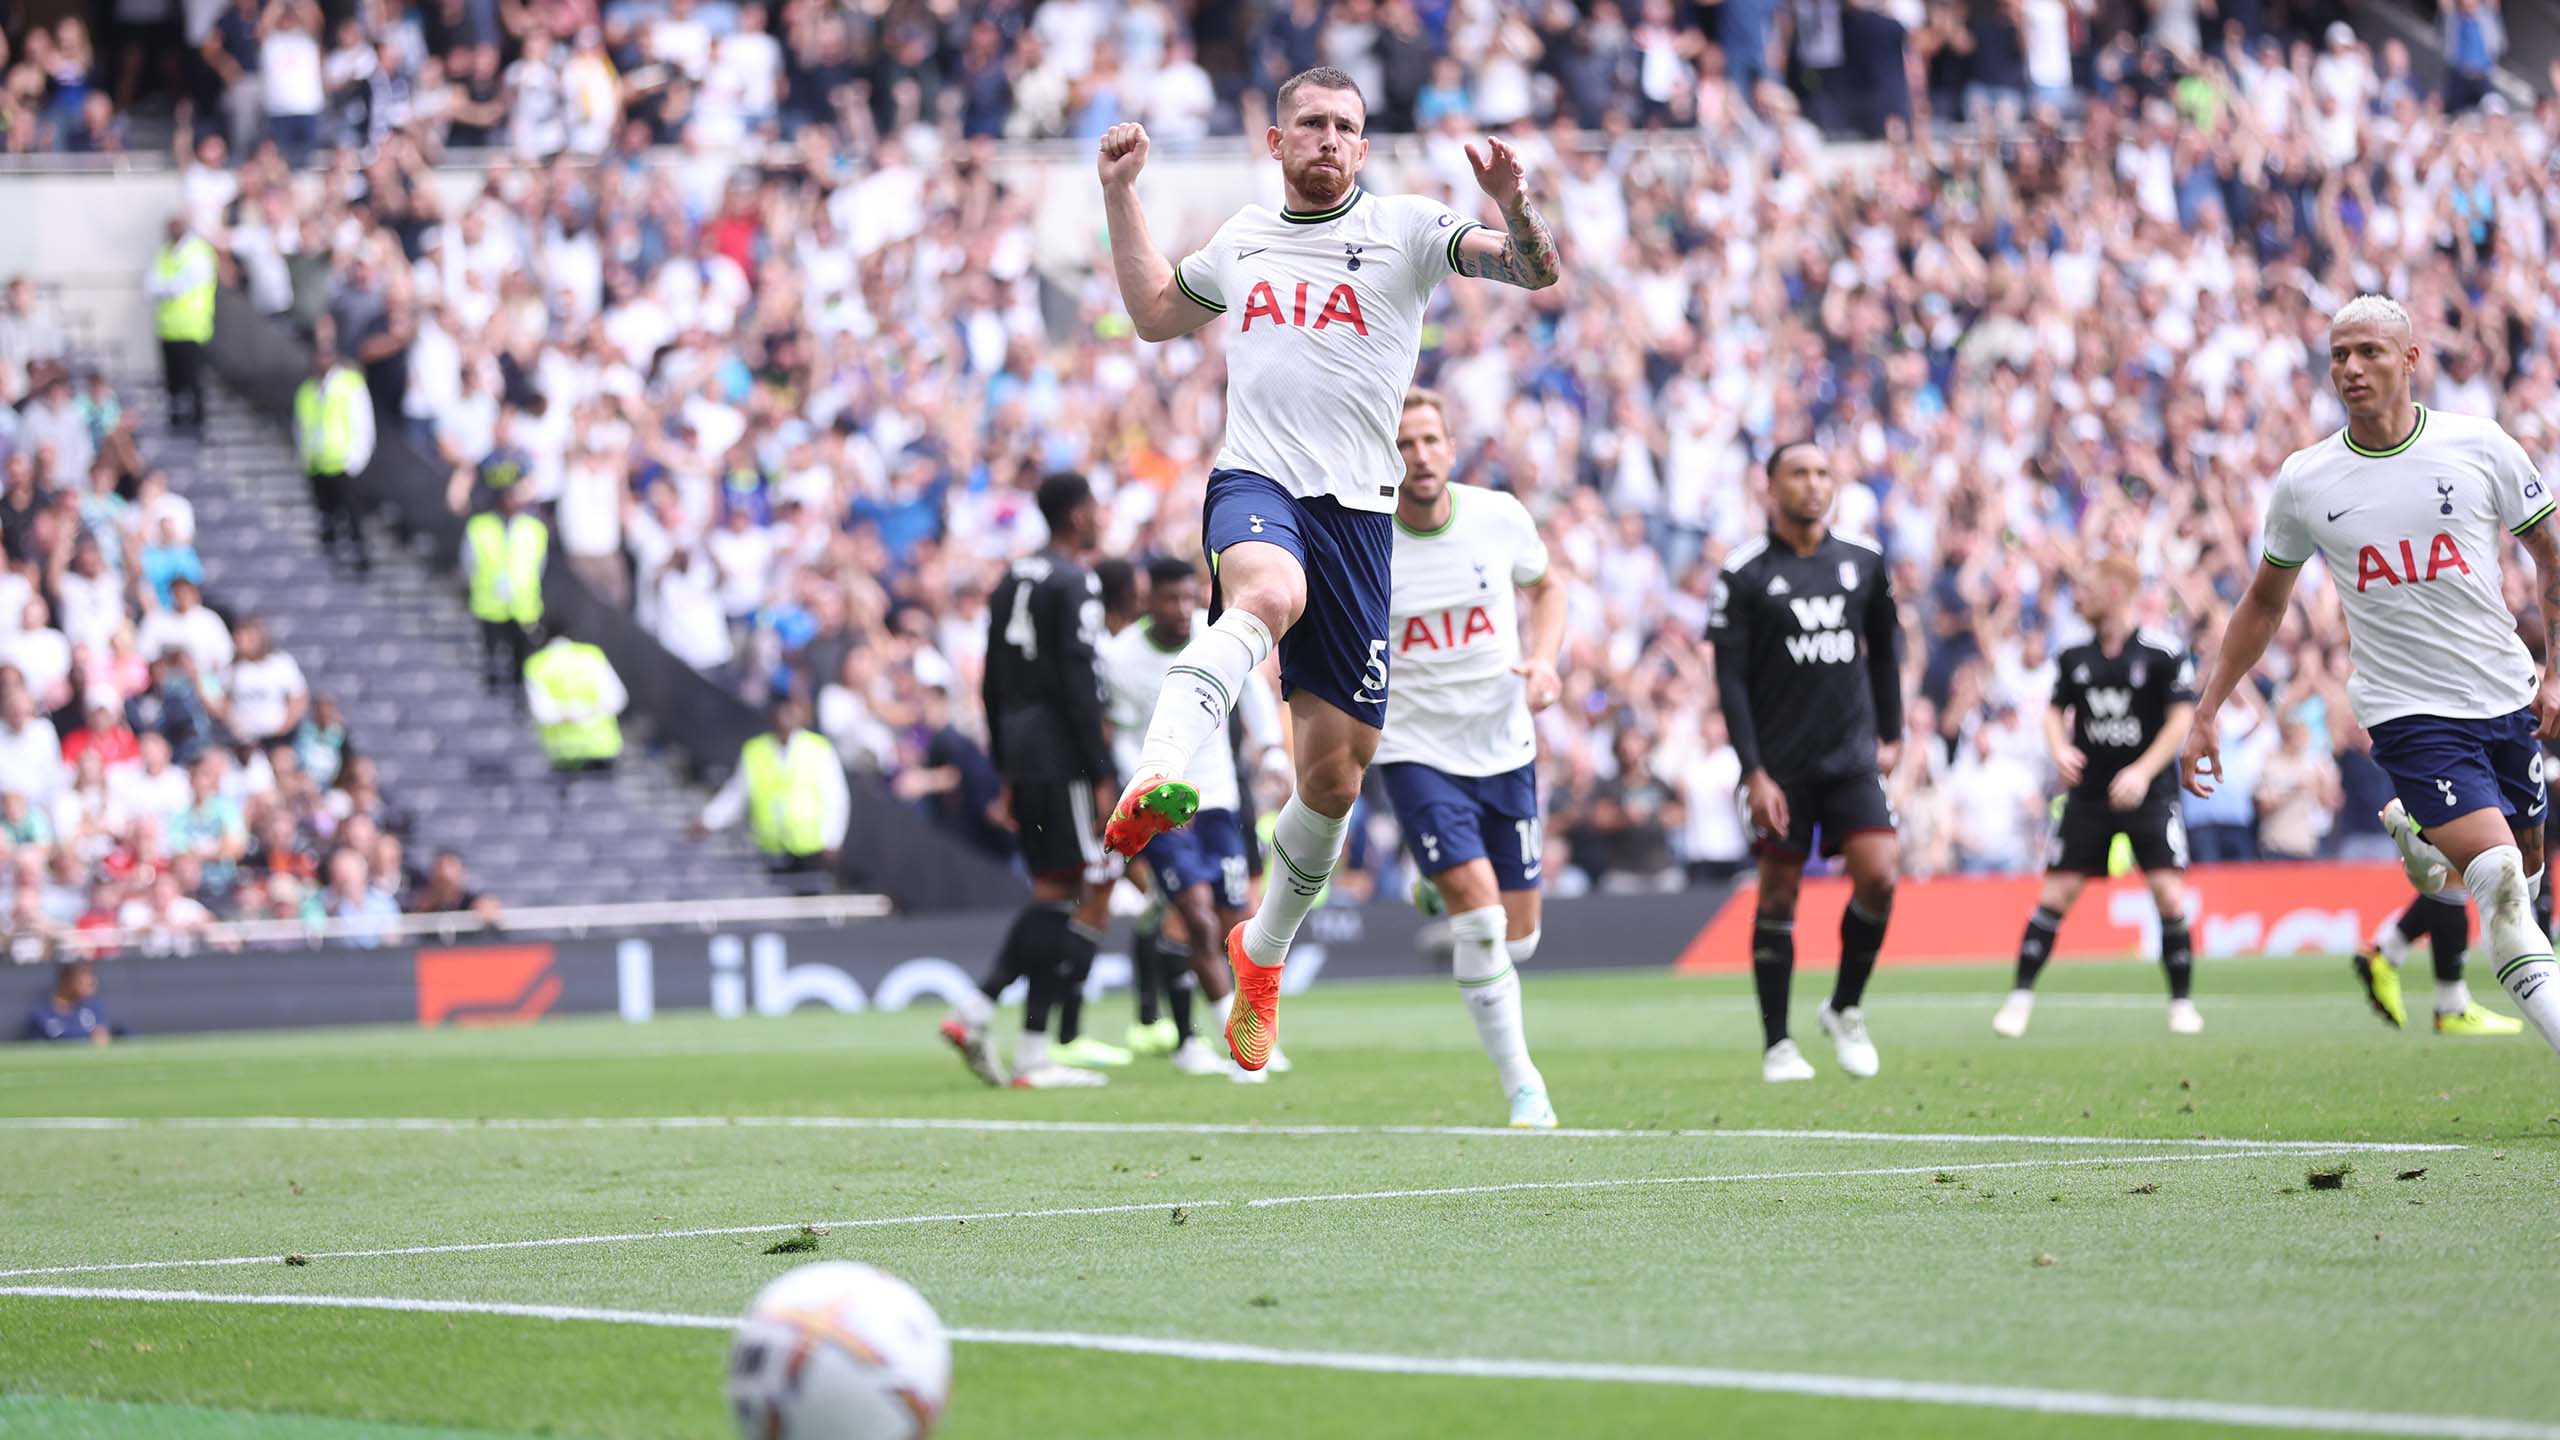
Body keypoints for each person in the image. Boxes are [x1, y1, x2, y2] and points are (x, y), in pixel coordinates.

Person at [1094, 65, 1562, 1073]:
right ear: (1274, 142)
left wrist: (1516, 207)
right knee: (1267, 593)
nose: (1328, 139)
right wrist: (1120, 197)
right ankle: (1156, 771)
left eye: (1346, 126)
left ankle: (1258, 961)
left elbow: (1531, 272)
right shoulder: (1243, 240)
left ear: (1363, 143)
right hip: (1256, 481)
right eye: (1309, 123)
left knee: (1336, 780)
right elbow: (1153, 313)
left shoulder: (1408, 229)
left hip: (1361, 517)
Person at [2182, 294, 2560, 1059]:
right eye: (2339, 356)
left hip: (2503, 694)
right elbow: (2263, 600)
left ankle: (2420, 837)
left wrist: (2553, 673)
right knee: (2500, 885)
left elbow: (2551, 559)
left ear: (2411, 359)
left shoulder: (2480, 447)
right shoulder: (2308, 479)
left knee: (2525, 864)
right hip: (2406, 709)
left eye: (2370, 353)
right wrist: (2206, 709)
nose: (2351, 369)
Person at [1374, 388, 1565, 1127]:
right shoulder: (1366, 539)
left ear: (1450, 448)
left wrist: (1545, 662)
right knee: (1482, 923)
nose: (1418, 456)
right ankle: (1525, 1087)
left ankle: (1435, 891)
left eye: (1428, 441)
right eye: (1403, 444)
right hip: (1416, 749)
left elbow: (1548, 591)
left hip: (1505, 745)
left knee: (1521, 936)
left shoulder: (1499, 516)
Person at [1710, 440, 1903, 1083]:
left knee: (1880, 875)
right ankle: (1776, 1044)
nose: (1813, 485)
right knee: (1779, 895)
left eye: (1824, 472)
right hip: (1781, 766)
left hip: (1851, 757)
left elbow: (1884, 653)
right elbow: (1731, 683)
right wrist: (1754, 771)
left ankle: (1845, 1007)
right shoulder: (1743, 574)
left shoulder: (1865, 564)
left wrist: (1894, 732)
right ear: (1770, 487)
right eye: (1799, 474)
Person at [942, 474, 1122, 1089]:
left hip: (1022, 750)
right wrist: (1101, 773)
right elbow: (1080, 682)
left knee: (1057, 888)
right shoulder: (1077, 581)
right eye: (1095, 508)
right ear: (1076, 517)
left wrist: (1004, 767)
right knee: (1073, 889)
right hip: (1061, 754)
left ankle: (1001, 1029)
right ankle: (1014, 1038)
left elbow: (990, 680)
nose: (1102, 517)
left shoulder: (1012, 577)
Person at [1994, 555, 2203, 1039]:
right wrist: (2059, 747)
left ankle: (2182, 1004)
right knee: (2056, 895)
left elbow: (2180, 720)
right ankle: (2020, 998)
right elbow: (2052, 711)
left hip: (2150, 794)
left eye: (2087, 587)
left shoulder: (2162, 652)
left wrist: (2142, 772)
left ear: (2114, 591)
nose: (2078, 596)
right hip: (2088, 796)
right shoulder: (2073, 656)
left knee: (2169, 895)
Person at [1100, 555, 1264, 1080]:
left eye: (1188, 597)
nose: (1180, 609)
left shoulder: (1216, 637)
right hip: (1163, 807)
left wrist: (1275, 755)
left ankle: (1219, 1034)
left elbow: (1253, 696)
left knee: (1232, 921)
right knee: (1193, 912)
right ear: (1147, 601)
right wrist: (1154, 790)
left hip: (1220, 799)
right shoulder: (1120, 658)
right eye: (1168, 598)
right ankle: (1230, 1043)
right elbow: (1121, 737)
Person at [692, 696, 848, 882]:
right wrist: (710, 819)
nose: (785, 717)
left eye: (790, 710)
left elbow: (836, 797)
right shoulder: (756, 750)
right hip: (770, 848)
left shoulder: (818, 748)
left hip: (810, 848)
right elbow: (737, 793)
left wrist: (832, 839)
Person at [293, 324, 374, 574]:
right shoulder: (307, 390)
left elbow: (362, 422)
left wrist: (355, 458)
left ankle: (359, 559)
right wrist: (306, 457)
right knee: (326, 518)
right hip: (318, 463)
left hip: (342, 462)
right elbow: (300, 427)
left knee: (351, 516)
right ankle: (330, 560)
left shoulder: (349, 384)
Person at [462, 480, 545, 694]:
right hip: (489, 603)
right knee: (492, 652)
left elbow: (539, 565)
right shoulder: (480, 526)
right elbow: (468, 562)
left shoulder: (534, 528)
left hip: (523, 605)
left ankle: (517, 691)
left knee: (520, 655)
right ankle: (493, 687)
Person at [521, 624, 625, 783]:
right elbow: (617, 698)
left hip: (563, 752)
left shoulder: (537, 664)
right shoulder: (592, 655)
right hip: (601, 746)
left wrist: (569, 713)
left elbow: (542, 712)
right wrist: (588, 712)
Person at [145, 213, 216, 432]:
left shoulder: (197, 252)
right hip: (168, 329)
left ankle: (197, 424)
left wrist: (165, 287)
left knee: (193, 382)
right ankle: (176, 423)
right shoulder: (166, 253)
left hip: (191, 329)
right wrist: (167, 287)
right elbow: (150, 286)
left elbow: (178, 287)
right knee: (173, 384)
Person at [22, 959, 110, 1044]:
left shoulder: (92, 1007)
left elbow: (101, 1037)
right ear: (66, 981)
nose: (89, 989)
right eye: (82, 983)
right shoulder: (42, 1013)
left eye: (91, 984)